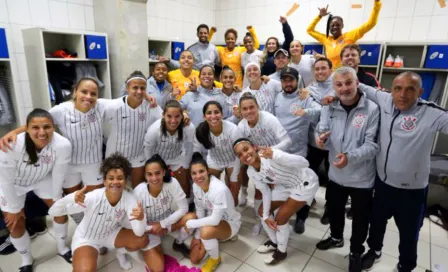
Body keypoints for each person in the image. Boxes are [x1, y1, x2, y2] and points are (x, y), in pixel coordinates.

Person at [353, 73, 448, 272]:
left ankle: (406, 265)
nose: (402, 94)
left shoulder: (431, 113)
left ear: (420, 92)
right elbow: (358, 85)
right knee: (376, 223)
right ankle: (374, 250)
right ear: (391, 89)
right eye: (398, 88)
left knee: (409, 234)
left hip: (412, 191)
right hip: (383, 184)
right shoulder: (385, 99)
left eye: (410, 89)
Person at [0, 78, 108, 223]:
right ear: (75, 92)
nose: (88, 96)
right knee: (75, 199)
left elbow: (125, 100)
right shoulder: (60, 110)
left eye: (93, 94)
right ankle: (81, 225)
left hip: (93, 162)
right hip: (69, 164)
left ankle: (96, 224)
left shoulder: (101, 106)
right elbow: (38, 122)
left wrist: (145, 96)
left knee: (95, 198)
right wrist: (14, 132)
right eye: (84, 91)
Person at [314, 67, 379, 272]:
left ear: (357, 82)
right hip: (335, 174)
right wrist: (320, 137)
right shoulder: (329, 106)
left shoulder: (372, 109)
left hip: (362, 178)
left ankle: (355, 251)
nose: (344, 88)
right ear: (334, 87)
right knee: (334, 211)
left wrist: (350, 158)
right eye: (339, 85)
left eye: (348, 83)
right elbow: (322, 128)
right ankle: (335, 238)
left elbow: (372, 146)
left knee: (360, 220)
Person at [48, 153, 149, 272]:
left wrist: (141, 218)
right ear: (105, 181)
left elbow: (139, 232)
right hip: (87, 238)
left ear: (125, 180)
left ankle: (120, 252)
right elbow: (52, 211)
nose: (115, 182)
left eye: (120, 178)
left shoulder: (129, 198)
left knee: (142, 240)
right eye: (111, 178)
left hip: (111, 234)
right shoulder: (93, 197)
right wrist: (71, 198)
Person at [0, 109, 72, 271]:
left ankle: (62, 248)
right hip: (13, 184)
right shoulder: (10, 145)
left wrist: (56, 202)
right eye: (35, 128)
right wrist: (15, 209)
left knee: (60, 210)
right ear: (26, 128)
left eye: (47, 127)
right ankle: (26, 259)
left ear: (54, 127)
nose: (42, 132)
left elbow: (58, 175)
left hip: (41, 179)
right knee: (15, 223)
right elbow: (6, 180)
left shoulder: (62, 145)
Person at [233, 139, 319, 264]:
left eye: (246, 149)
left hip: (304, 182)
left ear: (254, 147)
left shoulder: (272, 155)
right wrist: (267, 216)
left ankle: (281, 252)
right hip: (284, 185)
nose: (244, 155)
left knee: (280, 218)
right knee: (262, 212)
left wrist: (276, 155)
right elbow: (266, 192)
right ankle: (274, 242)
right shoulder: (251, 172)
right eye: (239, 154)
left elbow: (305, 163)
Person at [274, 67, 321, 234]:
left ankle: (301, 217)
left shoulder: (304, 96)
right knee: (281, 184)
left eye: (291, 80)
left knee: (301, 186)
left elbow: (320, 110)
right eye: (285, 80)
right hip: (280, 152)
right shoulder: (277, 97)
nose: (288, 83)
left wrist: (305, 111)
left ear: (296, 80)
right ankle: (281, 215)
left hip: (299, 152)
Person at [177, 152, 241, 272]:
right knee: (194, 259)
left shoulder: (219, 189)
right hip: (210, 222)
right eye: (194, 173)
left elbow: (215, 220)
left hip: (228, 223)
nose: (198, 176)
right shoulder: (196, 186)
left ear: (208, 171)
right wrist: (197, 236)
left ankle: (215, 258)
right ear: (190, 176)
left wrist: (191, 224)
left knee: (205, 232)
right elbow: (200, 210)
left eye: (201, 171)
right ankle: (212, 237)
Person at [237, 92, 292, 235]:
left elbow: (287, 141)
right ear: (240, 111)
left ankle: (280, 224)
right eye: (245, 109)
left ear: (258, 107)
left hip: (277, 161)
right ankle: (261, 220)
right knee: (260, 191)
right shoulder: (242, 127)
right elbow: (241, 149)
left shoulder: (269, 119)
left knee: (277, 194)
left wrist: (270, 151)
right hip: (258, 163)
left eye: (252, 107)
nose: (249, 111)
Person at [104, 71, 162, 189]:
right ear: (127, 88)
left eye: (142, 88)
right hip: (115, 156)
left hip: (137, 156)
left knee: (138, 190)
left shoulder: (150, 106)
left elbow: (166, 119)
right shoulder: (113, 106)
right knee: (116, 189)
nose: (139, 91)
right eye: (135, 88)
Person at [134, 154, 189, 272]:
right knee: (158, 269)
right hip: (148, 229)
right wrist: (153, 228)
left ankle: (178, 242)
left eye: (157, 173)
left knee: (191, 218)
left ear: (164, 172)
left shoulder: (172, 183)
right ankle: (152, 246)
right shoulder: (138, 191)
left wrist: (162, 224)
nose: (154, 178)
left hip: (166, 223)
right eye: (149, 174)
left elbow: (184, 208)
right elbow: (133, 220)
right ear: (145, 175)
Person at [143, 100, 195, 202]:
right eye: (169, 116)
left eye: (177, 116)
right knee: (158, 183)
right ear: (163, 115)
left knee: (184, 184)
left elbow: (190, 147)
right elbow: (147, 149)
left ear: (182, 116)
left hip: (177, 158)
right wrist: (151, 168)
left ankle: (188, 206)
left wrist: (185, 165)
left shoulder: (188, 127)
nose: (173, 120)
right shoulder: (154, 129)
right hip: (158, 159)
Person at [306, 0, 382, 69]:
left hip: (346, 76)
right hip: (331, 77)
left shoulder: (350, 36)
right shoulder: (326, 39)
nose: (335, 27)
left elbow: (371, 23)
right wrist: (319, 16)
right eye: (332, 25)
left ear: (342, 26)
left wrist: (377, 3)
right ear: (329, 28)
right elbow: (309, 30)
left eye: (337, 25)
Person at [194, 101, 242, 205]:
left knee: (234, 191)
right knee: (210, 188)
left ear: (222, 114)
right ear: (204, 116)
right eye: (209, 113)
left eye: (216, 112)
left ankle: (231, 214)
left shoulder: (233, 129)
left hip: (233, 160)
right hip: (214, 160)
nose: (213, 116)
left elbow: (239, 155)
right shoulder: (201, 130)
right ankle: (214, 209)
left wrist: (233, 178)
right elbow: (196, 151)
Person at [305, 57, 334, 225]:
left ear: (330, 69)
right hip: (313, 141)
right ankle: (307, 202)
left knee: (332, 178)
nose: (320, 72)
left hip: (333, 142)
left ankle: (330, 208)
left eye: (324, 68)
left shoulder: (337, 87)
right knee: (310, 174)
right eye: (317, 69)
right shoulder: (309, 89)